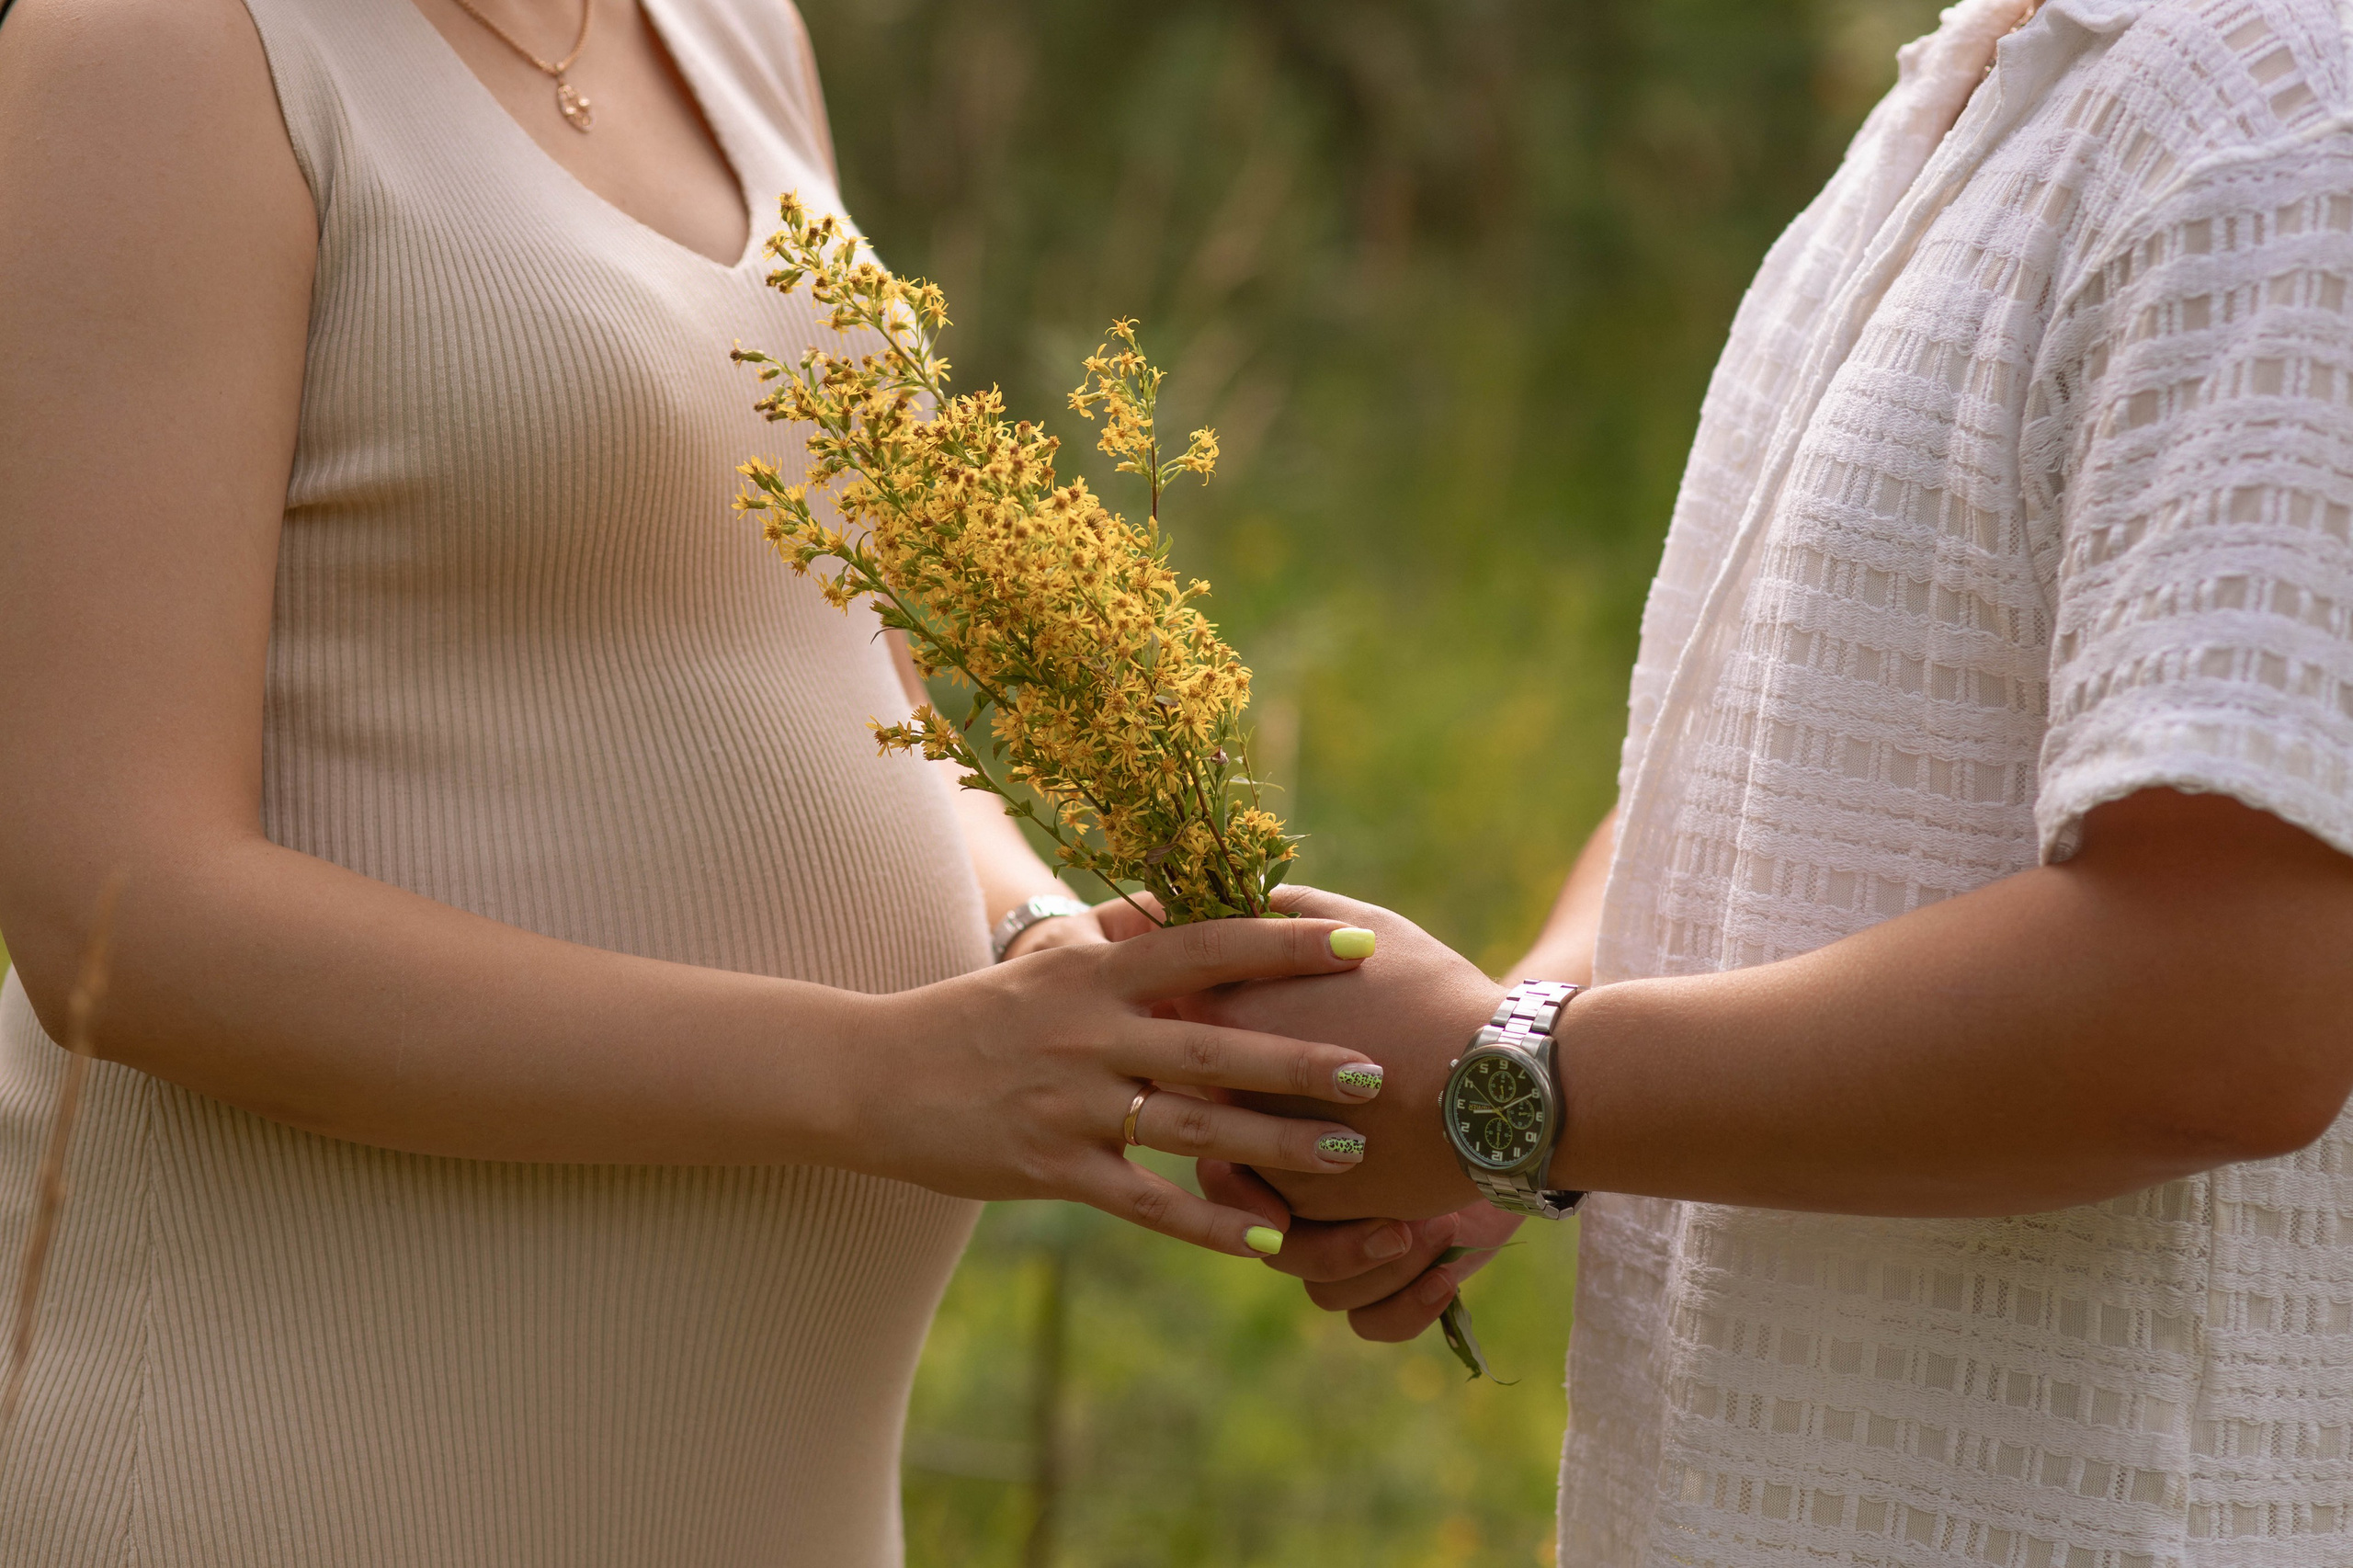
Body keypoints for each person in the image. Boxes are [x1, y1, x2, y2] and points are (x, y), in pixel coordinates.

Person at [0, 1, 1384, 1562]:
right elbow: (111, 913)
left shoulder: (733, 28)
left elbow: (859, 679)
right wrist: (877, 1073)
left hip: (760, 1488)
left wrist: (1054, 958)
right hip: (306, 1453)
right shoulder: (160, 49)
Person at [1195, 0, 2353, 1562]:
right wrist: (1506, 1044)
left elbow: (2230, 1009)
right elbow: (1753, 762)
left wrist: (1516, 1088)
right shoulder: (1981, 89)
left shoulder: (2282, 123)